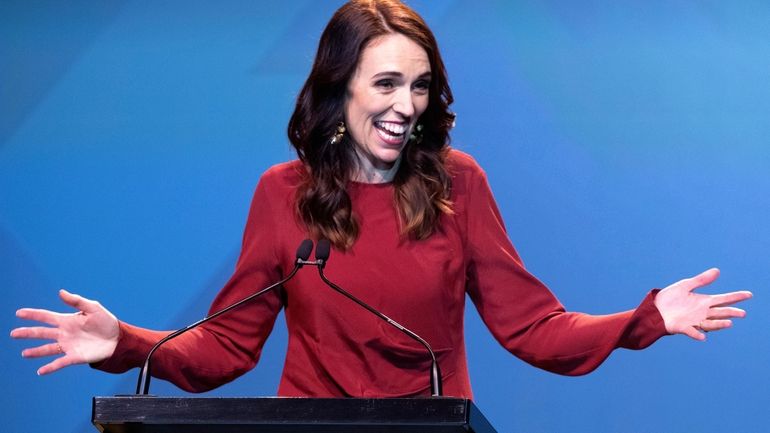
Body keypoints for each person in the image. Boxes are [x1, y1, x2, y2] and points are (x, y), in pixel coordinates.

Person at [11, 0, 751, 398]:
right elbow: (230, 347)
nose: (408, 105)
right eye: (387, 83)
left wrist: (642, 319)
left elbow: (534, 328)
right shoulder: (282, 195)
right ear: (340, 92)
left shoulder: (460, 183)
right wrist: (127, 343)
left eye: (421, 84)